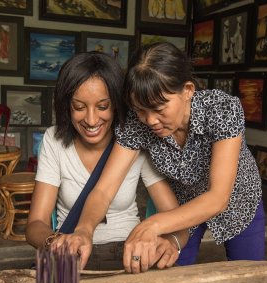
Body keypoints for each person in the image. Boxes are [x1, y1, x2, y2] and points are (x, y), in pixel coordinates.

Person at [65, 42, 265, 274]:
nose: (150, 121)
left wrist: (153, 224)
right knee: (170, 271)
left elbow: (217, 198)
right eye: (141, 110)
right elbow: (103, 190)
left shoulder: (221, 109)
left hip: (237, 199)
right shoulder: (136, 122)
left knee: (248, 274)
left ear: (188, 90)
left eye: (159, 109)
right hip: (182, 204)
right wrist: (84, 230)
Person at [25, 51, 188, 271]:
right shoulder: (54, 141)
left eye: (102, 107)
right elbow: (36, 224)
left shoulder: (135, 138)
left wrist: (170, 243)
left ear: (118, 104)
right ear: (66, 105)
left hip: (130, 252)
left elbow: (175, 217)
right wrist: (56, 242)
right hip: (74, 253)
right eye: (79, 107)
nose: (91, 120)